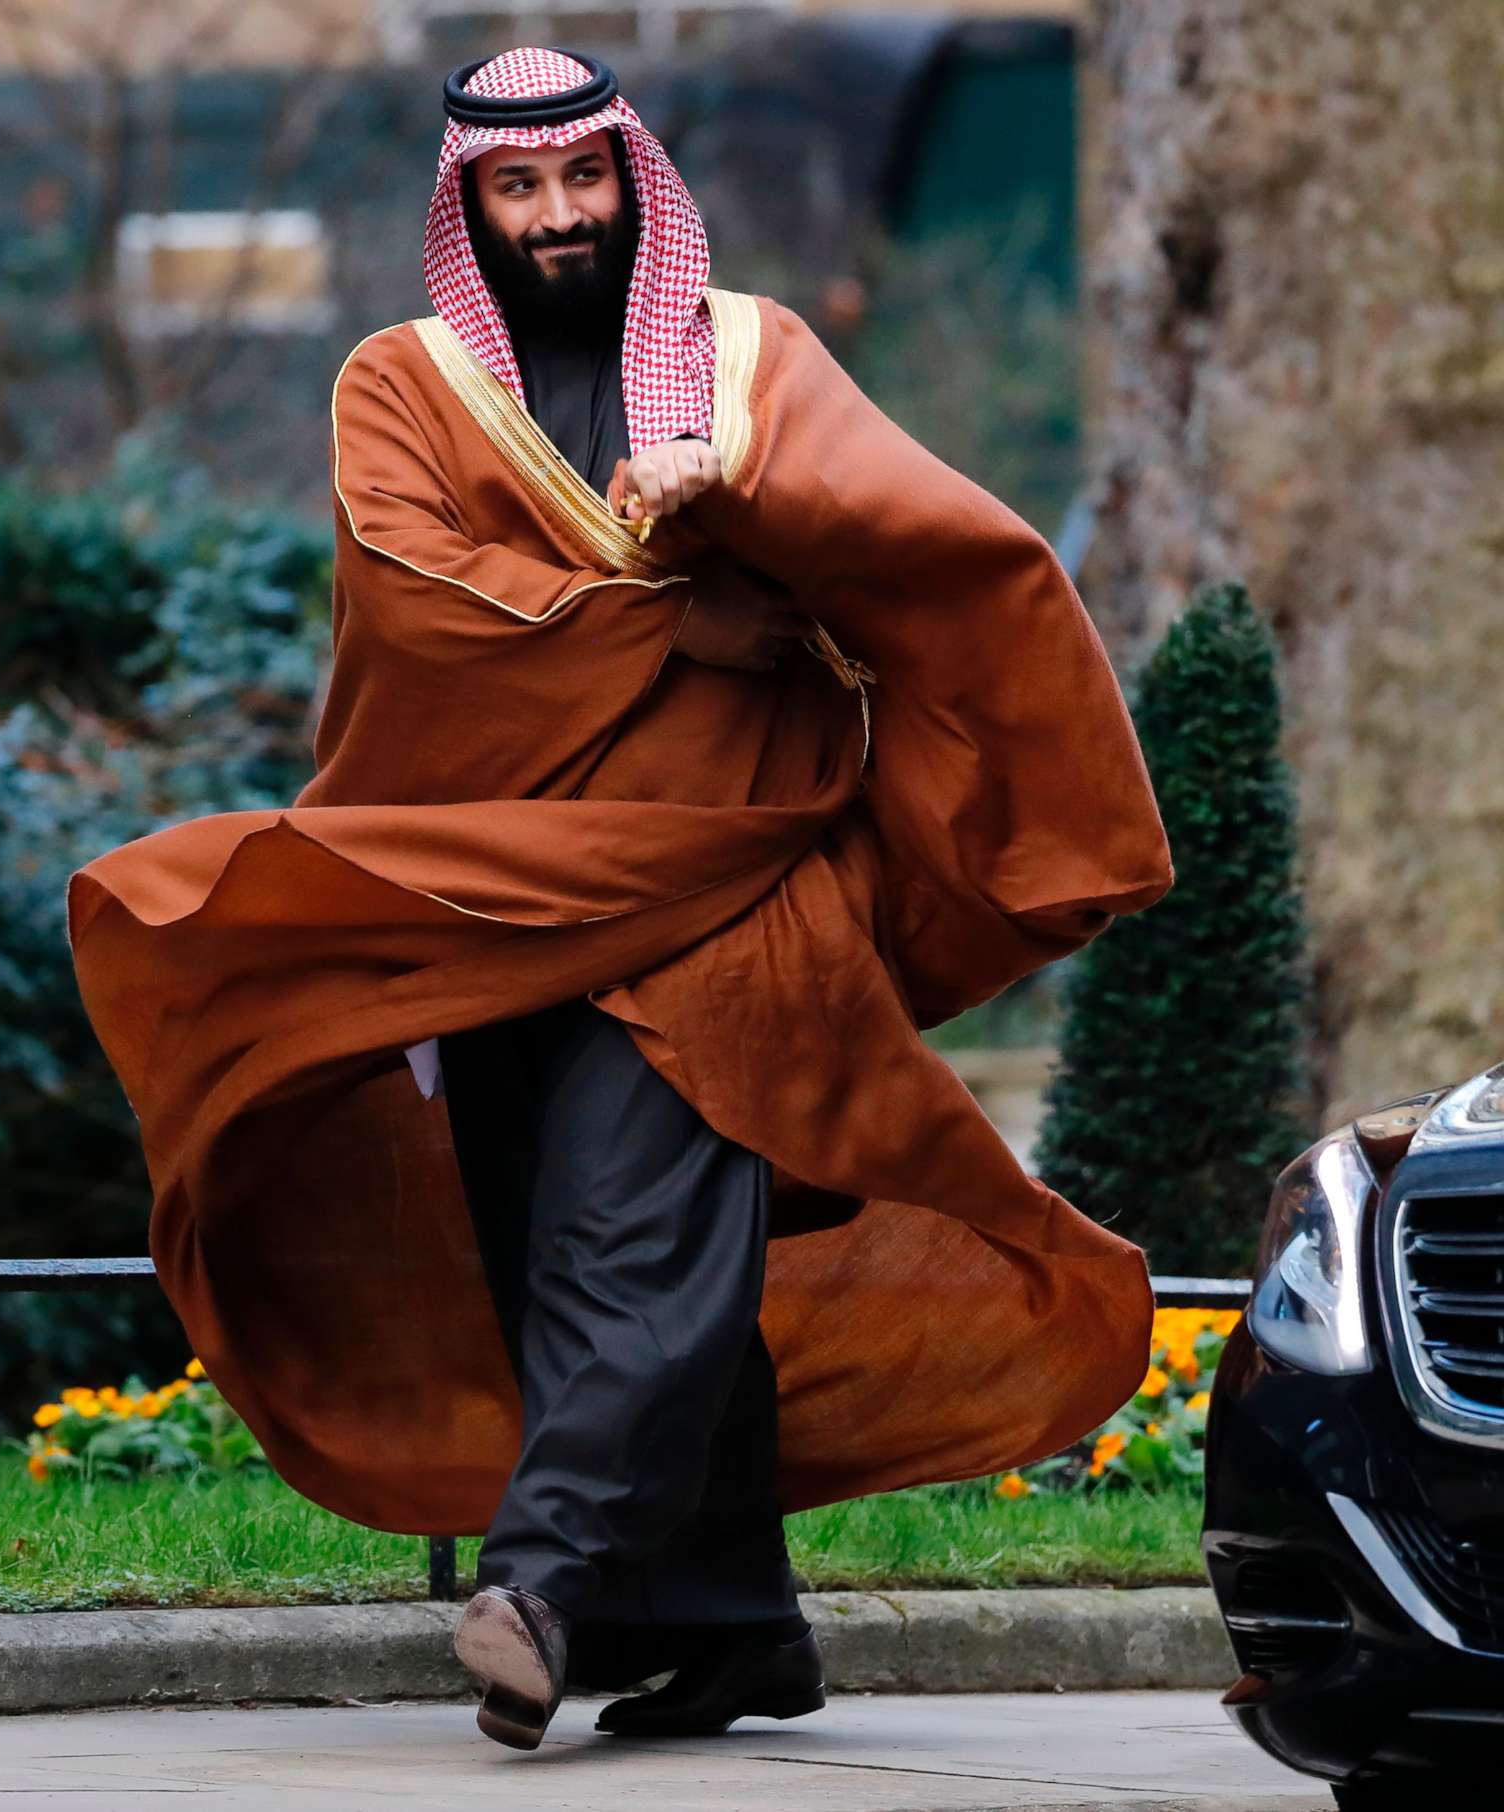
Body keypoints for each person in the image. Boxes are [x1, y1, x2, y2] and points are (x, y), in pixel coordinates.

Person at [63, 44, 1173, 1753]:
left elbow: (912, 536)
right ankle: (734, 1635)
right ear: (471, 205)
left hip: (738, 882)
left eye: (585, 179)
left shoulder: (753, 360)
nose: (559, 214)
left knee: (626, 1239)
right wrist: (675, 616)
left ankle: (545, 1588)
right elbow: (423, 595)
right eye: (519, 188)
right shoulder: (401, 384)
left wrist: (752, 507)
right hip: (506, 898)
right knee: (550, 1245)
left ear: (633, 178)